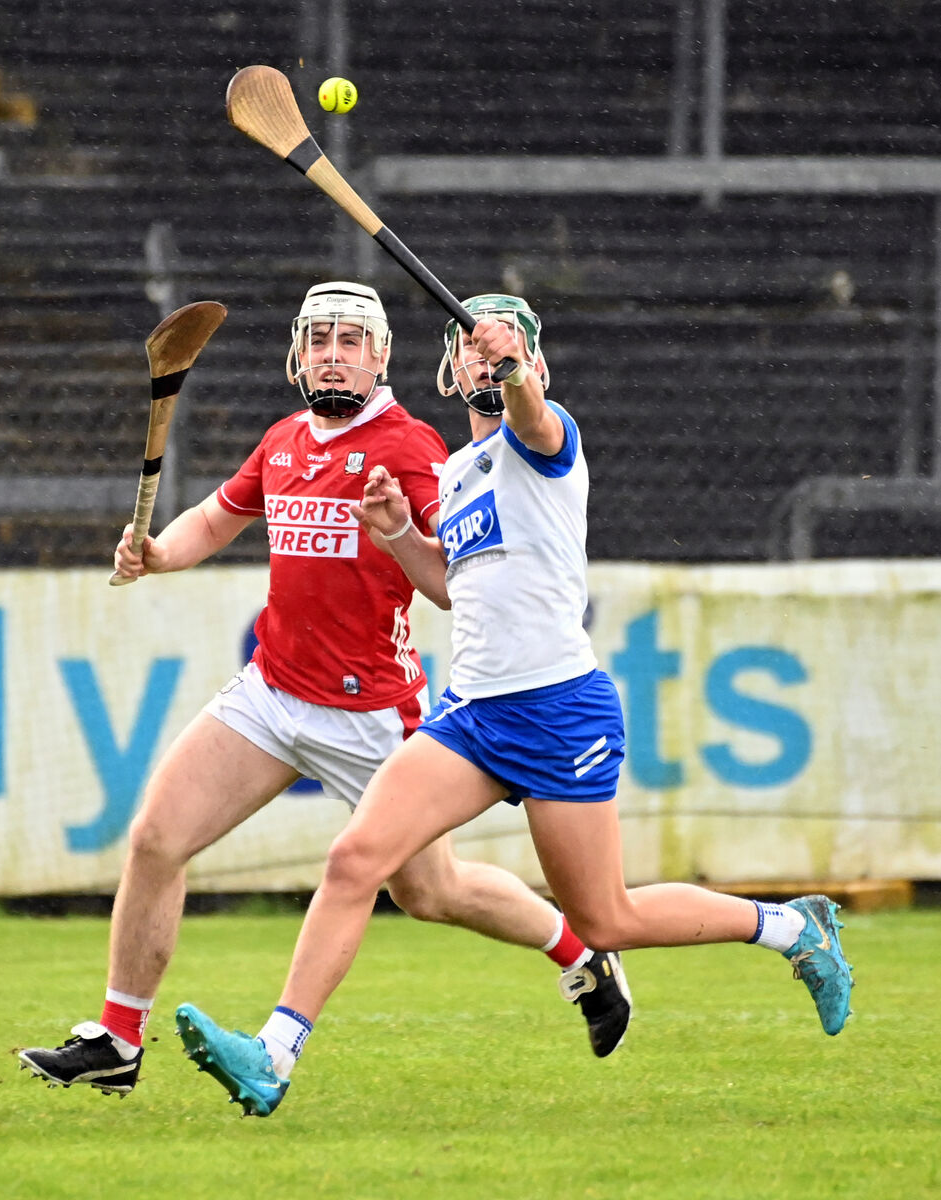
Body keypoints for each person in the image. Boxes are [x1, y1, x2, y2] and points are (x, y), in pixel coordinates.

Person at [173, 293, 855, 1117]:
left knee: (605, 919)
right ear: (448, 369)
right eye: (469, 349)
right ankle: (272, 1056)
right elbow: (448, 588)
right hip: (471, 713)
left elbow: (529, 410)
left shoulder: (547, 439)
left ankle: (788, 928)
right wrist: (395, 534)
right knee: (358, 861)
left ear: (532, 365)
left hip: (558, 708)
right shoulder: (457, 474)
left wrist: (514, 365)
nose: (483, 361)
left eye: (502, 349)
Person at [17, 282, 632, 1100]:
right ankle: (118, 1041)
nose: (333, 353)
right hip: (272, 691)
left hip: (369, 709)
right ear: (297, 355)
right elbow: (214, 518)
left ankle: (581, 954)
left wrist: (403, 532)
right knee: (157, 838)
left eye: (351, 340)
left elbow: (454, 577)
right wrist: (158, 552)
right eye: (320, 340)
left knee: (431, 892)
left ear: (381, 357)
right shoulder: (280, 442)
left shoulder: (411, 446)